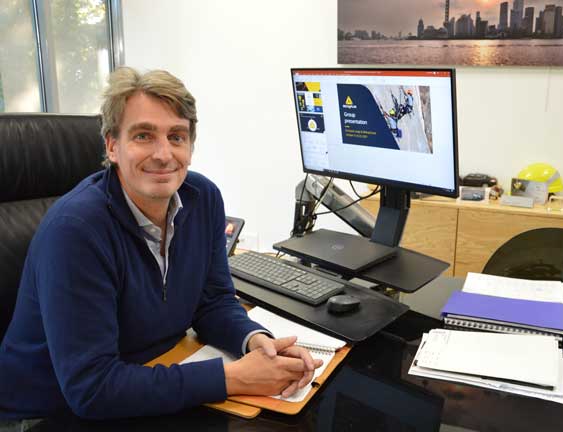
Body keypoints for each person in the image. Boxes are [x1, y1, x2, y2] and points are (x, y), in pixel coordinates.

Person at [0, 67, 322, 424]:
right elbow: (91, 389)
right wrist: (234, 378)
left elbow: (212, 301)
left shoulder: (203, 199)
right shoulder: (75, 231)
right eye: (143, 136)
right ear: (112, 146)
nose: (164, 154)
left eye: (177, 137)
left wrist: (253, 339)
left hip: (149, 376)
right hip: (50, 413)